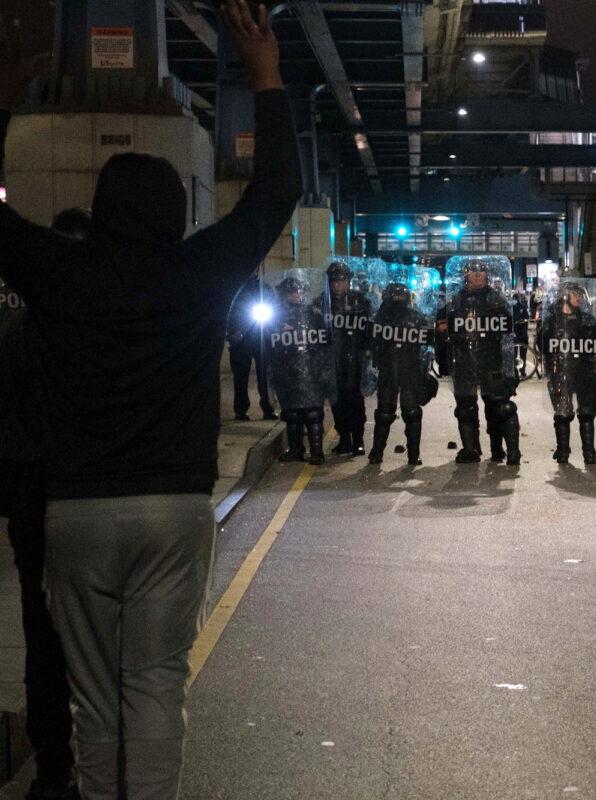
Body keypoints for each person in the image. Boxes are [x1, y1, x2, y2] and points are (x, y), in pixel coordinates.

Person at [0, 4, 302, 798]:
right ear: (174, 212)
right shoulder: (198, 273)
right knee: (156, 687)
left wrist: (5, 104)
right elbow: (274, 192)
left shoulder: (59, 274)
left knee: (92, 697)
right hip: (172, 510)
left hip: (76, 515)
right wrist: (265, 77)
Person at [1, 212, 88, 800]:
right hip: (88, 499)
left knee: (43, 637)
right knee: (103, 643)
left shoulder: (18, 331)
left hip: (33, 502)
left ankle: (54, 770)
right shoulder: (102, 330)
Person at [438, 259, 521, 465]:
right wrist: (444, 358)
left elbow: (511, 333)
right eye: (472, 272)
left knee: (501, 407)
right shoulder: (456, 301)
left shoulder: (496, 300)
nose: (477, 275)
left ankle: (505, 450)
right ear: (466, 276)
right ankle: (471, 449)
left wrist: (511, 367)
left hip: (492, 361)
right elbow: (442, 330)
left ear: (487, 275)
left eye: (481, 271)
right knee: (466, 407)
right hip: (465, 361)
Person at [537, 281, 596, 465]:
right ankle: (563, 451)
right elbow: (542, 344)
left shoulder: (587, 320)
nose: (579, 297)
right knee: (563, 413)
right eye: (575, 293)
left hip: (585, 371)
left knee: (587, 413)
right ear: (564, 296)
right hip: (560, 371)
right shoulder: (552, 321)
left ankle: (589, 452)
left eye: (580, 293)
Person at [368, 282, 437, 465]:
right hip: (390, 370)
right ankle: (379, 452)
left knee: (410, 413)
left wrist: (424, 370)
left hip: (408, 370)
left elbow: (427, 347)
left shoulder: (414, 318)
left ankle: (410, 455)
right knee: (386, 414)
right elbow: (371, 346)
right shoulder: (380, 318)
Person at [269, 275, 333, 466]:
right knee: (291, 413)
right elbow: (267, 341)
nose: (295, 295)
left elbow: (325, 338)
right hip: (287, 368)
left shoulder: (312, 313)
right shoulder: (276, 315)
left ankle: (317, 452)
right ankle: (296, 450)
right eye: (291, 292)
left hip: (310, 367)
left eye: (298, 291)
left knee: (313, 413)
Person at [323, 260, 372, 456]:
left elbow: (370, 330)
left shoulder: (361, 301)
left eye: (342, 280)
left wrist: (368, 354)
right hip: (332, 360)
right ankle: (344, 438)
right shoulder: (322, 302)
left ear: (349, 281)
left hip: (355, 361)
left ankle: (358, 440)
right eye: (334, 281)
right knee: (337, 402)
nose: (338, 285)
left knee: (355, 401)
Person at [226, 276, 277, 421]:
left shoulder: (264, 288)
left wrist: (273, 328)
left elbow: (274, 306)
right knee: (241, 376)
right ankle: (240, 410)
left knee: (265, 375)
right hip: (240, 338)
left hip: (262, 336)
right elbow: (226, 310)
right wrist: (231, 331)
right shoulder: (235, 287)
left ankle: (268, 409)